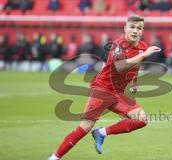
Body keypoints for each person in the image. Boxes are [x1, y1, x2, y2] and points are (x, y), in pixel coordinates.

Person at [48, 15, 161, 160]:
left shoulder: (142, 46)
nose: (135, 31)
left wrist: (134, 82)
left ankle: (101, 133)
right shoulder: (118, 45)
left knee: (141, 119)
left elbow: (135, 66)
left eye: (139, 28)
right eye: (132, 27)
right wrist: (144, 55)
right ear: (125, 28)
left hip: (118, 93)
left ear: (142, 31)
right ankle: (54, 158)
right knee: (85, 127)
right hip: (102, 90)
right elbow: (120, 66)